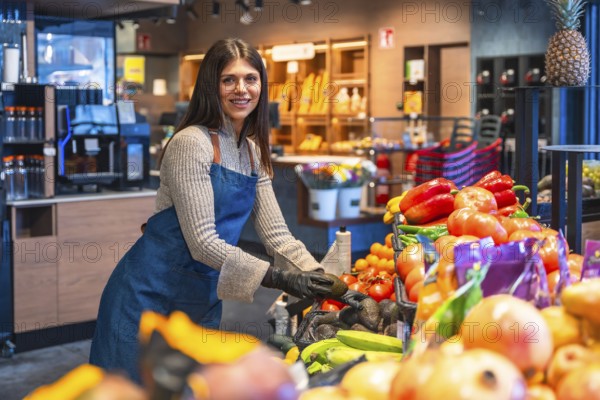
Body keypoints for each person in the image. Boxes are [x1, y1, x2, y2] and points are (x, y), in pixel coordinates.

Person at [89, 38, 360, 383]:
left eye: (251, 78)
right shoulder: (191, 143)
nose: (241, 89)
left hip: (201, 298)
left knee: (196, 389)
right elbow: (203, 242)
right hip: (146, 297)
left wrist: (326, 281)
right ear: (211, 86)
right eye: (229, 79)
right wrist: (279, 277)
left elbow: (278, 236)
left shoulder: (252, 151)